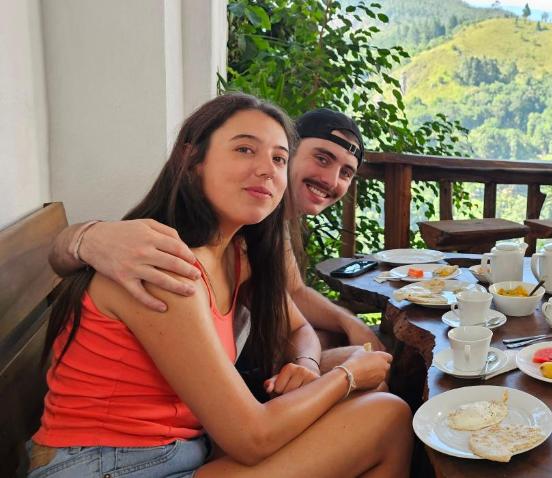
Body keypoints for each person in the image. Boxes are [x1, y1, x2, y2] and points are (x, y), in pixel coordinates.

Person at [29, 93, 412, 477]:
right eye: (245, 149)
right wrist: (347, 377)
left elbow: (297, 326)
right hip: (109, 464)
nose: (266, 169)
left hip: (182, 447)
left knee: (363, 377)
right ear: (192, 159)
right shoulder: (163, 266)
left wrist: (307, 365)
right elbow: (251, 439)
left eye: (279, 158)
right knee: (387, 415)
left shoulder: (236, 253)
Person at [49, 108, 379, 396]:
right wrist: (85, 237)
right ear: (193, 160)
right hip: (212, 403)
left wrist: (331, 342)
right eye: (322, 158)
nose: (331, 179)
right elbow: (249, 431)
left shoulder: (255, 234)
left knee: (364, 367)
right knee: (372, 391)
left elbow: (291, 298)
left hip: (230, 387)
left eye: (346, 173)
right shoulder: (186, 252)